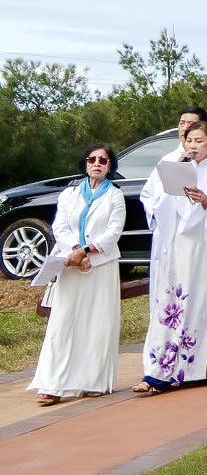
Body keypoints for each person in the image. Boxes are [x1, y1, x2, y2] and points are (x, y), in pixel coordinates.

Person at [134, 120, 207, 394]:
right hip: (176, 245)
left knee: (195, 303)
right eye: (189, 140)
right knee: (168, 302)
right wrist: (173, 180)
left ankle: (193, 370)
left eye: (199, 141)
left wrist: (206, 202)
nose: (193, 146)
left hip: (203, 249)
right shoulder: (172, 166)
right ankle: (156, 370)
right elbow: (156, 202)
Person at [30, 144, 126, 405]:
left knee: (97, 323)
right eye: (92, 159)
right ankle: (52, 383)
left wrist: (87, 251)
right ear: (85, 163)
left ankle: (93, 381)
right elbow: (60, 226)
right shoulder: (70, 193)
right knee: (63, 322)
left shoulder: (115, 195)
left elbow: (114, 231)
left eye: (103, 160)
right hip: (70, 263)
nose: (97, 164)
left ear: (110, 166)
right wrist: (76, 251)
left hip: (101, 265)